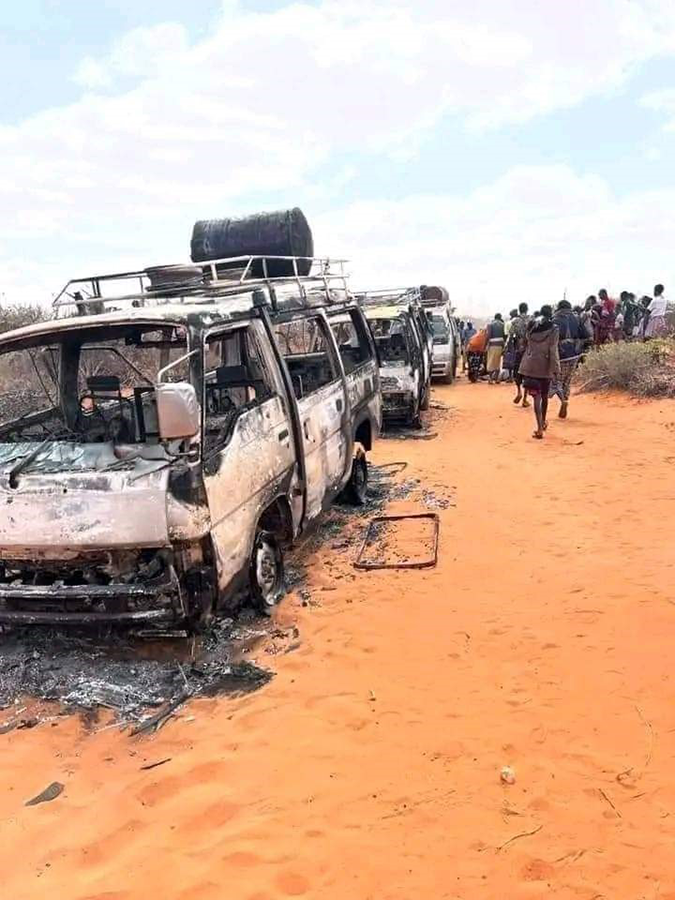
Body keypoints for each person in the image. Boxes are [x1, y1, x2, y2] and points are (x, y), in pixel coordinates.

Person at [518, 305, 560, 439]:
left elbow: (525, 343)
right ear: (551, 314)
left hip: (531, 365)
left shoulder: (531, 327)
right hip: (545, 366)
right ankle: (542, 423)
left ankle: (539, 427)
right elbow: (553, 350)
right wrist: (555, 369)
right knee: (544, 396)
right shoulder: (553, 329)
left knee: (536, 397)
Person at [551, 300, 582, 419]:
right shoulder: (577, 318)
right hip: (574, 353)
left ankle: (562, 400)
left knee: (557, 380)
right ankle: (565, 399)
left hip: (561, 354)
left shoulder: (555, 320)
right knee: (568, 380)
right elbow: (584, 335)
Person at [507, 302, 530, 406]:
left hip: (518, 348)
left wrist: (508, 348)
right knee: (528, 374)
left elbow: (510, 335)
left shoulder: (515, 321)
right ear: (527, 309)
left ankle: (519, 392)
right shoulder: (531, 320)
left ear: (519, 310)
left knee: (517, 371)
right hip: (529, 349)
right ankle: (525, 398)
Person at [485, 313, 505, 384]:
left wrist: (485, 345)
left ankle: (490, 378)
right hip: (500, 345)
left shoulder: (490, 325)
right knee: (498, 362)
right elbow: (504, 335)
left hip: (492, 345)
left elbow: (488, 335)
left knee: (491, 362)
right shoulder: (503, 325)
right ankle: (496, 379)